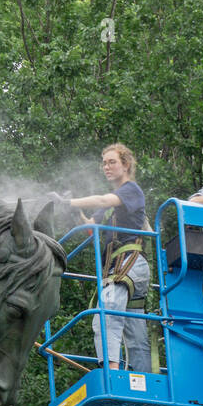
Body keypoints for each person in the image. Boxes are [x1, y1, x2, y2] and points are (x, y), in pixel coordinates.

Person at [69, 143, 152, 372]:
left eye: (112, 161)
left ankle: (112, 374)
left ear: (125, 165)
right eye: (104, 162)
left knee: (106, 313)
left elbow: (105, 201)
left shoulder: (130, 190)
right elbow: (90, 228)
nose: (107, 166)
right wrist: (74, 211)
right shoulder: (107, 206)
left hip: (130, 262)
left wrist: (69, 202)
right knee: (135, 329)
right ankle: (142, 381)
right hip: (120, 267)